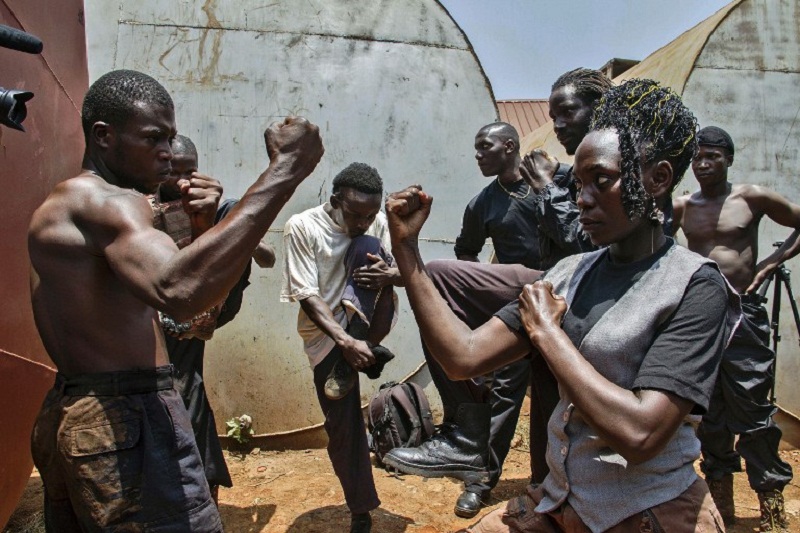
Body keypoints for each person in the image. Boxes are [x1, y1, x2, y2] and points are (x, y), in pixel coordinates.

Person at [385, 79, 740, 532]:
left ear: (658, 179)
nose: (581, 198)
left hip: (651, 512)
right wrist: (407, 251)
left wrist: (548, 336)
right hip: (561, 501)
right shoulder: (569, 273)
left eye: (602, 181)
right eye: (579, 182)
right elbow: (462, 358)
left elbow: (641, 434)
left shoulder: (694, 285)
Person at [27, 69, 323, 532]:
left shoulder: (82, 207)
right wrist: (285, 172)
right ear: (103, 137)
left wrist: (205, 227)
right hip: (126, 417)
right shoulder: (103, 201)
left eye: (170, 136)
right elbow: (178, 292)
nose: (168, 151)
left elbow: (194, 323)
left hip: (93, 412)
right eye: (154, 139)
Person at [383, 69, 612, 519]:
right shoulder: (483, 203)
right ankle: (479, 477)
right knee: (504, 402)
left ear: (510, 146)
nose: (476, 156)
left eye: (483, 147)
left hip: (561, 299)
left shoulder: (563, 182)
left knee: (551, 405)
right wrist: (486, 294)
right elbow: (466, 255)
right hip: (518, 305)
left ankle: (545, 490)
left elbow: (585, 245)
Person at [673, 126, 799, 531]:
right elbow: (651, 241)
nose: (703, 164)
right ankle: (721, 507)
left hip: (744, 313)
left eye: (712, 156)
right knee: (706, 411)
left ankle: (773, 512)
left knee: (753, 410)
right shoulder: (683, 206)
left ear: (728, 159)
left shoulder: (751, 197)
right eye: (697, 158)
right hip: (702, 316)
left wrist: (771, 264)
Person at [154, 134, 276, 504]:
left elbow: (268, 257)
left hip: (212, 305)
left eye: (189, 170)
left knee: (181, 382)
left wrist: (236, 234)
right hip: (169, 313)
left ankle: (200, 484)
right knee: (183, 383)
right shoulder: (147, 204)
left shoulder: (218, 204)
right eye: (173, 172)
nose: (182, 181)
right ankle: (203, 481)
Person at [280, 162, 401, 533]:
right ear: (334, 200)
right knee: (343, 425)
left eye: (370, 214)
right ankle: (360, 508)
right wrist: (344, 341)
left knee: (368, 247)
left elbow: (403, 271)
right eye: (354, 214)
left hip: (367, 317)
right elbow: (307, 296)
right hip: (327, 333)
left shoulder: (373, 222)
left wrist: (390, 274)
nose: (364, 221)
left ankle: (364, 351)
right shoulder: (302, 227)